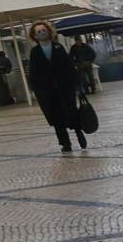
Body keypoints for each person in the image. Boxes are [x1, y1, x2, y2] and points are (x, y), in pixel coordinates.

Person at [25, 20, 86, 153]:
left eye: (43, 30)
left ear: (49, 31)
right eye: (38, 32)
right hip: (48, 91)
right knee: (57, 117)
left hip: (65, 88)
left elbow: (69, 67)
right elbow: (34, 72)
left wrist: (77, 83)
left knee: (72, 112)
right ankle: (65, 143)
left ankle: (79, 133)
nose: (42, 33)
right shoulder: (35, 52)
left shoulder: (58, 47)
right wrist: (38, 89)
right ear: (34, 35)